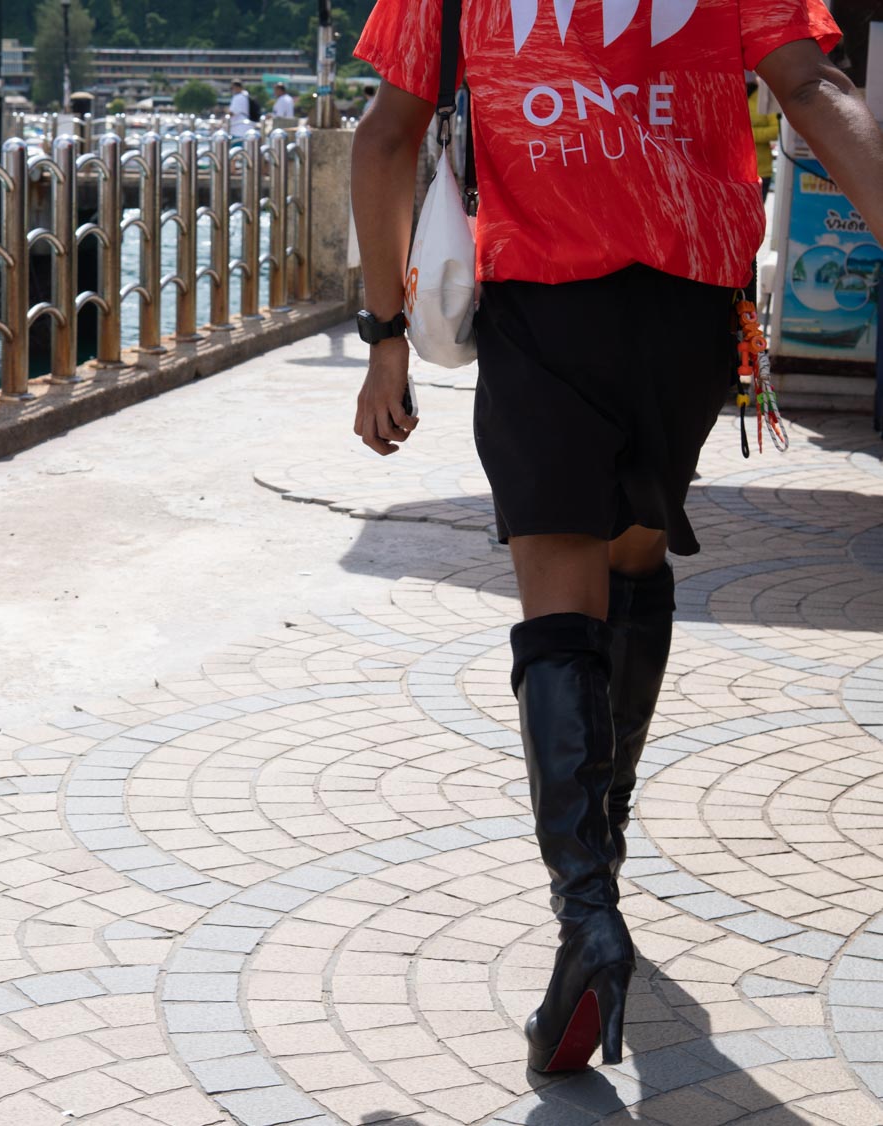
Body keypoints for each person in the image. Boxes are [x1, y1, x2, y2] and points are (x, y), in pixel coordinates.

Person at [350, 0, 883, 1076]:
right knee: (635, 559)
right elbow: (813, 87)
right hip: (686, 316)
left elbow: (387, 136)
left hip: (544, 309)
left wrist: (386, 337)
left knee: (560, 602)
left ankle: (587, 913)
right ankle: (608, 831)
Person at [749, 79, 780, 201]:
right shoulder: (727, 95)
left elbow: (777, 130)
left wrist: (748, 134)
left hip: (759, 171)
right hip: (729, 171)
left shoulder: (764, 95)